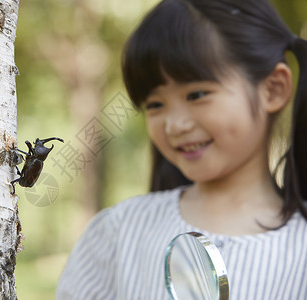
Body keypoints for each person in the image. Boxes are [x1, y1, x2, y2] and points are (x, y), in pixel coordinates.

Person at [56, 0, 307, 299]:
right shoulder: (120, 232)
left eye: (196, 94)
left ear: (273, 89)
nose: (174, 125)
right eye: (155, 104)